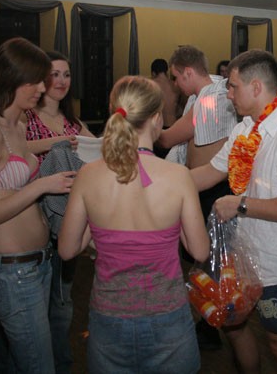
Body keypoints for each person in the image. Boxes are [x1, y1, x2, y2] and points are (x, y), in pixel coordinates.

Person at [58, 75, 210, 374]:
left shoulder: (89, 175)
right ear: (156, 118)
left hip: (109, 317)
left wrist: (98, 225)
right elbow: (200, 251)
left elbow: (67, 249)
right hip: (168, 316)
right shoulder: (177, 177)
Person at [190, 49, 277, 374]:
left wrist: (240, 204)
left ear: (256, 87)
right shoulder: (243, 130)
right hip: (244, 256)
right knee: (232, 326)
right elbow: (209, 172)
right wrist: (160, 181)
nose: (228, 94)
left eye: (233, 86)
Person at [0, 37, 76, 373]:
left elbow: (25, 152)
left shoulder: (18, 125)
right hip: (13, 270)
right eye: (36, 80)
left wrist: (65, 140)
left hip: (39, 262)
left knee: (20, 363)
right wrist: (41, 185)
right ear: (13, 79)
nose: (43, 88)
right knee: (40, 365)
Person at [158, 44, 238, 349]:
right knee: (206, 260)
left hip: (211, 189)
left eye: (177, 77)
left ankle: (212, 322)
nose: (176, 84)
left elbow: (168, 137)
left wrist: (144, 123)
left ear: (188, 72)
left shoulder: (208, 100)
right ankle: (209, 320)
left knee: (207, 260)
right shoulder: (214, 90)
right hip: (206, 185)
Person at [23, 50, 94, 373]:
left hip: (68, 218)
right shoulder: (27, 118)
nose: (61, 81)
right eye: (54, 74)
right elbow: (15, 148)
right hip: (34, 218)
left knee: (63, 304)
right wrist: (61, 141)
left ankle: (61, 365)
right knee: (32, 308)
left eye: (66, 74)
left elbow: (97, 149)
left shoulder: (74, 122)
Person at [151, 57, 183, 129]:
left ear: (153, 73)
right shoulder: (176, 85)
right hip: (174, 125)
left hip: (159, 126)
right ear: (166, 71)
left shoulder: (151, 85)